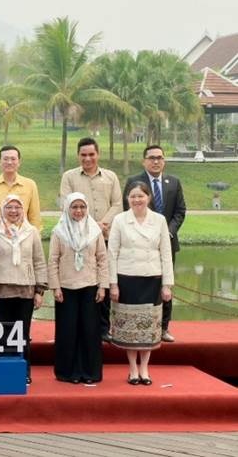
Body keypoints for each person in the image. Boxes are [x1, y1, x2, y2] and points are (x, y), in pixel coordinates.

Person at [109, 181, 174, 385]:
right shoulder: (120, 220)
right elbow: (112, 253)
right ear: (127, 199)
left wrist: (167, 284)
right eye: (133, 196)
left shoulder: (159, 220)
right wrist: (113, 283)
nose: (137, 200)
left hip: (152, 278)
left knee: (148, 328)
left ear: (149, 198)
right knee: (130, 327)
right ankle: (133, 369)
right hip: (127, 279)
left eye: (141, 196)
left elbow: (165, 253)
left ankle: (145, 369)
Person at [59, 137, 122, 341]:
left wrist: (99, 225)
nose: (87, 158)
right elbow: (66, 204)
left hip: (104, 238)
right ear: (78, 155)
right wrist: (90, 227)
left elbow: (117, 204)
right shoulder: (69, 177)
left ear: (98, 154)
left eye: (91, 154)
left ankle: (104, 328)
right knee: (81, 284)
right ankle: (81, 328)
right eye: (83, 155)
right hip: (77, 242)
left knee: (102, 281)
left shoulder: (110, 177)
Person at [0, 195, 47, 384]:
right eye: (9, 207)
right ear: (3, 209)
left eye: (18, 207)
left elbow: (39, 262)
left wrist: (40, 291)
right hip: (0, 292)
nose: (14, 211)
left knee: (22, 334)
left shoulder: (31, 231)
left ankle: (22, 371)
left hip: (25, 291)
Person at [124, 145, 186, 343]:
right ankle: (139, 325)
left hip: (167, 242)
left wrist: (167, 232)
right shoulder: (134, 182)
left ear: (164, 160)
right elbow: (128, 210)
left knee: (165, 285)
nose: (156, 161)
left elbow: (180, 211)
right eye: (151, 158)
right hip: (140, 245)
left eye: (159, 157)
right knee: (143, 286)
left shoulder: (173, 183)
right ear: (144, 161)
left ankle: (164, 327)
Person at [48, 192, 109, 384]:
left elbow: (102, 259)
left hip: (90, 286)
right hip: (66, 288)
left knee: (90, 330)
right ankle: (68, 372)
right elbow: (53, 261)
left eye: (82, 207)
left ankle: (89, 372)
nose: (78, 211)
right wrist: (55, 287)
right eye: (74, 207)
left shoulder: (95, 231)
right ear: (68, 209)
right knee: (68, 330)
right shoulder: (59, 231)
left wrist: (103, 286)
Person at [0, 145, 42, 232]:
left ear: (19, 162)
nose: (9, 162)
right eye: (6, 159)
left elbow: (35, 217)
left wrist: (35, 238)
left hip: (23, 237)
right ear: (0, 162)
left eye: (13, 159)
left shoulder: (30, 185)